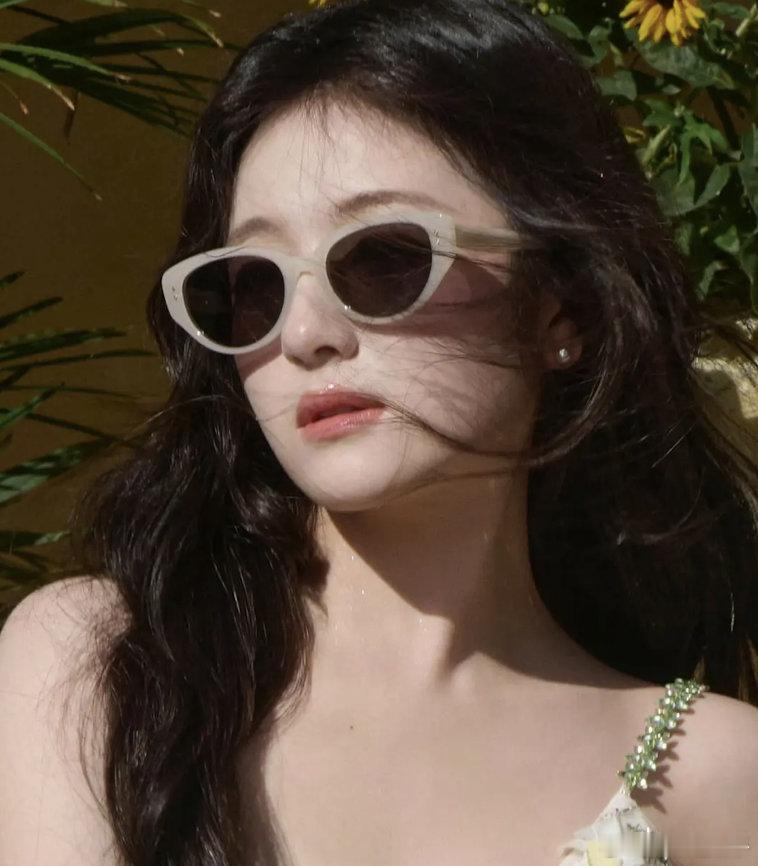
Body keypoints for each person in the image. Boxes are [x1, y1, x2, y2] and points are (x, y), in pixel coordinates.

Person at [1, 1, 757, 864]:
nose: (303, 334)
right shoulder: (102, 666)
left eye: (383, 257)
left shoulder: (717, 776)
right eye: (255, 285)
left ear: (563, 305)